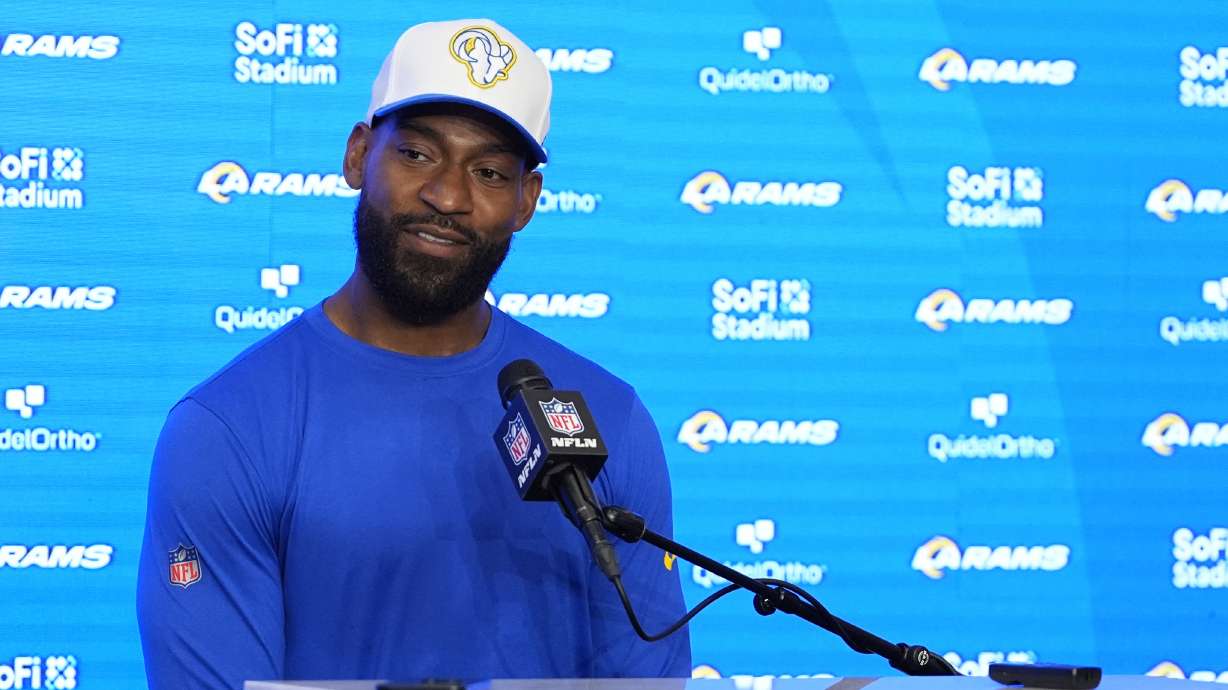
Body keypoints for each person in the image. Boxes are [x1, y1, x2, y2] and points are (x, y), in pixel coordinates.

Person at [136, 18, 691, 690]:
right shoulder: (228, 428)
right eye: (418, 155)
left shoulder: (607, 416)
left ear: (526, 202)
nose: (448, 197)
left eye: (488, 171)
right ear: (357, 156)